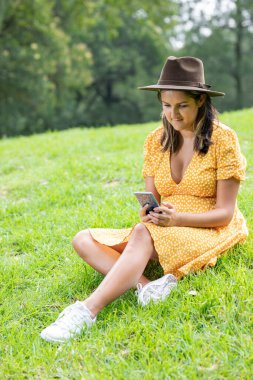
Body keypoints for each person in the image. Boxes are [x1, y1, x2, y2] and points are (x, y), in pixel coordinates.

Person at [40, 56, 248, 343]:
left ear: (200, 100)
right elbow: (152, 199)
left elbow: (225, 213)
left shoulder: (223, 139)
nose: (172, 115)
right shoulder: (156, 139)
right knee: (83, 239)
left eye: (182, 106)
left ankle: (86, 311)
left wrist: (177, 220)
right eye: (166, 105)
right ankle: (149, 287)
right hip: (164, 225)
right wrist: (150, 214)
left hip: (209, 226)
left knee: (141, 234)